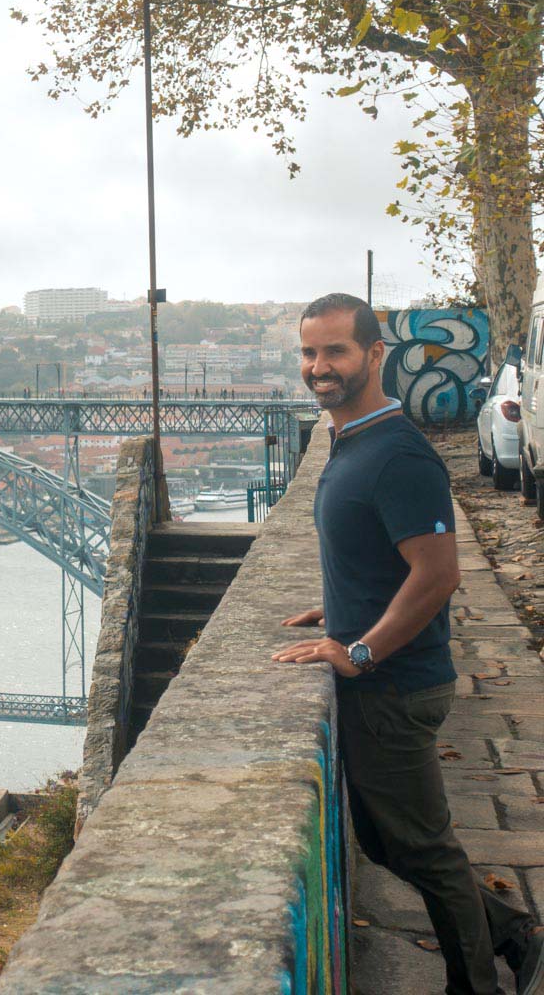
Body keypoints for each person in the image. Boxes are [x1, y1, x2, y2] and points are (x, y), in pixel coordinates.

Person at [272, 293, 543, 995]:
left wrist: (360, 650)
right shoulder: (351, 439)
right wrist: (337, 605)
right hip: (383, 680)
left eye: (335, 350)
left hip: (395, 683)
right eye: (309, 352)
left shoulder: (395, 454)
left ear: (374, 355)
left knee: (423, 847)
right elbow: (384, 556)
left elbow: (439, 573)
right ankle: (511, 933)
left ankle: (477, 982)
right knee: (387, 841)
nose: (319, 366)